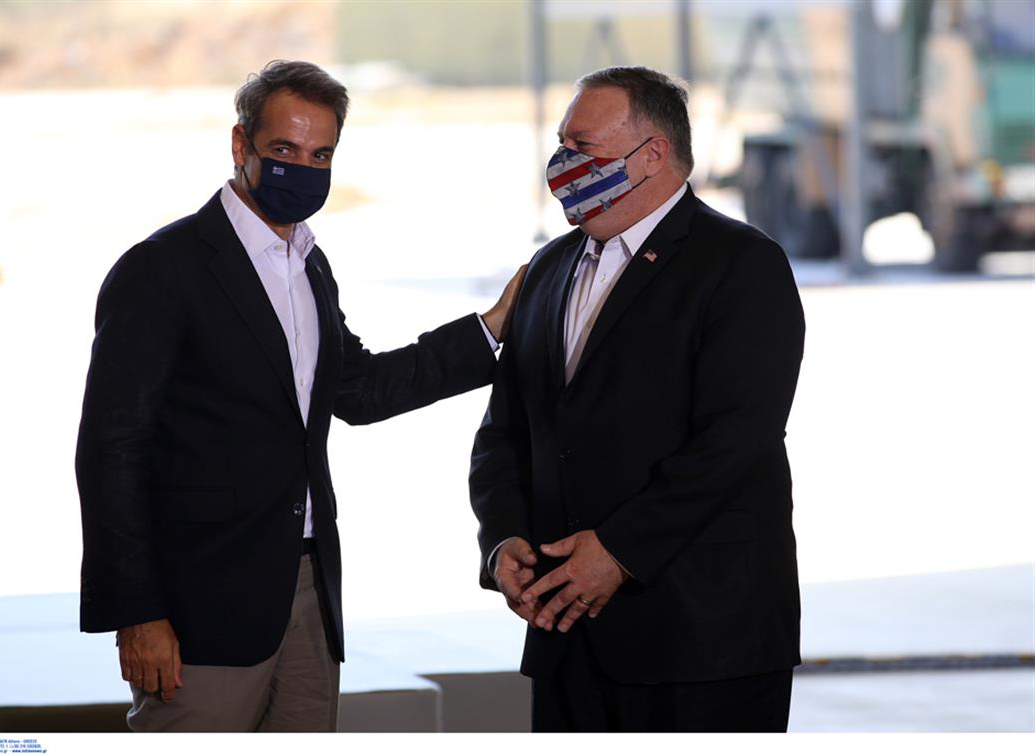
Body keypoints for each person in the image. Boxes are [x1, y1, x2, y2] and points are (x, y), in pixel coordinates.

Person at [75, 60, 524, 732]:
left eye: (321, 155)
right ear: (241, 144)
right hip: (199, 604)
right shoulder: (162, 268)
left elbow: (359, 389)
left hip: (311, 588)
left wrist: (490, 329)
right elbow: (111, 450)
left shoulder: (309, 263)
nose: (303, 169)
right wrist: (136, 613)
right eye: (284, 150)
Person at [469, 65, 805, 732]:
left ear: (652, 155)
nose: (563, 163)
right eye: (561, 144)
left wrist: (617, 551)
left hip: (700, 641)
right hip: (566, 635)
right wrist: (503, 538)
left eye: (583, 147)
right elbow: (504, 432)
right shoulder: (547, 269)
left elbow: (736, 440)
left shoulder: (741, 264)